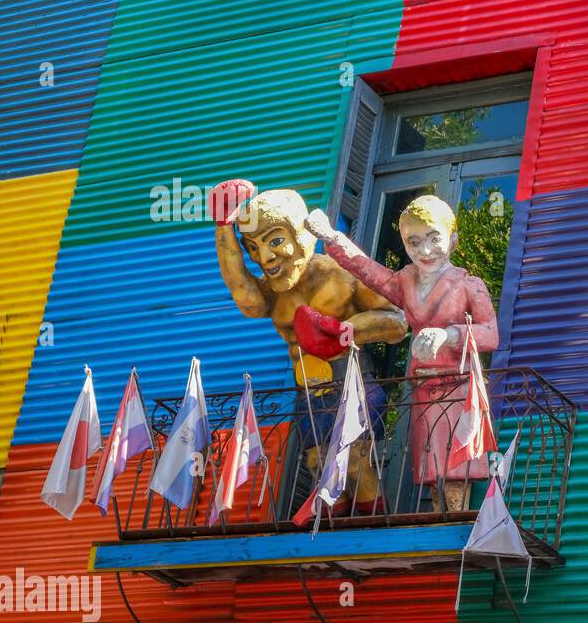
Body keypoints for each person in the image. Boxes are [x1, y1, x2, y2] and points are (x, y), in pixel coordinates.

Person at [210, 180, 406, 514]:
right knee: (318, 463)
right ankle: (335, 535)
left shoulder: (342, 275)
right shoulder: (274, 290)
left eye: (275, 241)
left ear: (300, 236)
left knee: (355, 459)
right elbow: (245, 297)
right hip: (309, 389)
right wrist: (224, 227)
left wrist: (346, 329)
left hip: (352, 379)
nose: (265, 257)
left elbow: (398, 322)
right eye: (253, 247)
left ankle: (374, 524)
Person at [302, 195, 498, 512]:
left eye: (434, 238)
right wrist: (332, 238)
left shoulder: (468, 285)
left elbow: (491, 332)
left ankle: (453, 523)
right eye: (414, 241)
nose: (425, 251)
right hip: (422, 389)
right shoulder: (405, 282)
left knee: (455, 471)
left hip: (458, 391)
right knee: (432, 470)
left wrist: (450, 334)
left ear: (453, 240)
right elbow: (368, 270)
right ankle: (440, 521)